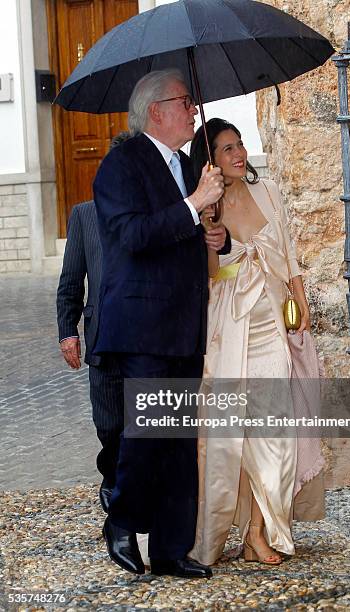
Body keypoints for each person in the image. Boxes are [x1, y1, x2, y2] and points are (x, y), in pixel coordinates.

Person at [93, 70, 230, 578]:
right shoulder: (120, 165)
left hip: (184, 321)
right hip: (143, 322)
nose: (193, 110)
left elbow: (188, 231)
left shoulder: (189, 162)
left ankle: (172, 548)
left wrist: (215, 237)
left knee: (177, 442)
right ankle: (122, 523)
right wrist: (194, 205)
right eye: (185, 102)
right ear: (157, 110)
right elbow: (132, 235)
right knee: (147, 434)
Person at [189, 118, 312, 566]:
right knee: (229, 436)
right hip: (231, 328)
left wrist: (299, 301)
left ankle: (258, 532)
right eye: (226, 149)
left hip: (272, 326)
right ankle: (221, 529)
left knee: (276, 432)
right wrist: (209, 239)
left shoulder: (269, 191)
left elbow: (290, 253)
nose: (239, 154)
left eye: (240, 145)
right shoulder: (209, 208)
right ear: (211, 161)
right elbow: (209, 276)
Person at [56, 131, 130, 513]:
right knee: (109, 424)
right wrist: (68, 331)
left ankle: (131, 493)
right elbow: (70, 281)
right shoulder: (84, 215)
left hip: (145, 337)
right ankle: (112, 474)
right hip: (102, 338)